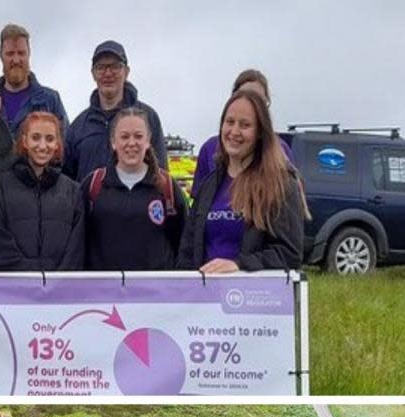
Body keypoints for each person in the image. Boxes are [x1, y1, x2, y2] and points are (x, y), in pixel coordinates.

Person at [176, 90, 305, 274]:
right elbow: (188, 251)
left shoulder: (281, 185)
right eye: (229, 122)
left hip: (252, 297)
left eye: (245, 125)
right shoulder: (209, 185)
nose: (234, 131)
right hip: (207, 297)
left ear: (260, 132)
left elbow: (289, 254)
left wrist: (239, 265)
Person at [83, 108, 187, 270]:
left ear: (148, 141)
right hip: (104, 292)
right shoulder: (93, 185)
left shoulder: (166, 186)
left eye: (138, 136)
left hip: (155, 292)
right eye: (124, 137)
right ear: (113, 142)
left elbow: (184, 241)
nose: (131, 143)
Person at [0, 111, 85, 270]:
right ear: (24, 141)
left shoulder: (73, 192)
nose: (43, 146)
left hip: (60, 290)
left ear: (58, 144)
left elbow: (76, 249)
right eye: (36, 137)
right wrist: (30, 277)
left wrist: (55, 281)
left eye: (50, 139)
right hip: (12, 288)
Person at [64, 41, 168, 182]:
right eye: (101, 67)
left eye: (115, 67)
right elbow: (67, 182)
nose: (108, 73)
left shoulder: (149, 118)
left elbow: (161, 174)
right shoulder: (78, 127)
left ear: (126, 72)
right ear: (93, 74)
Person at [193, 69, 294, 191]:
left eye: (258, 99)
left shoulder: (281, 151)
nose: (249, 101)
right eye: (243, 95)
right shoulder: (209, 149)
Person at [0, 23, 68, 135]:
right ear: (1, 56)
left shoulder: (50, 100)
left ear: (29, 54)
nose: (16, 60)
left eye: (21, 53)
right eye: (10, 54)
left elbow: (64, 145)